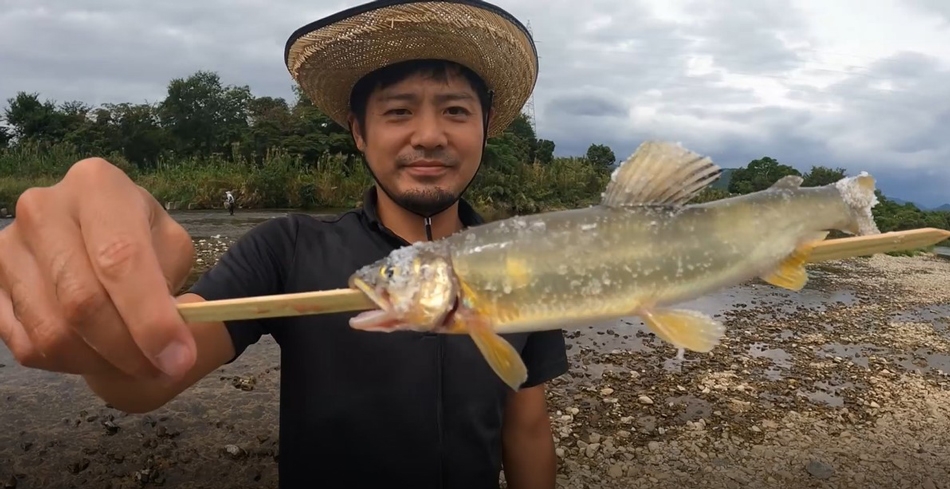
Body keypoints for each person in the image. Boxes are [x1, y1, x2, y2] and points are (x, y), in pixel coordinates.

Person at [0, 1, 568, 488]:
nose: (428, 134)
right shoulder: (288, 248)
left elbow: (527, 424)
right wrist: (103, 310)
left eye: (455, 111)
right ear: (358, 132)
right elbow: (144, 380)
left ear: (485, 126)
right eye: (398, 111)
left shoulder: (519, 261)